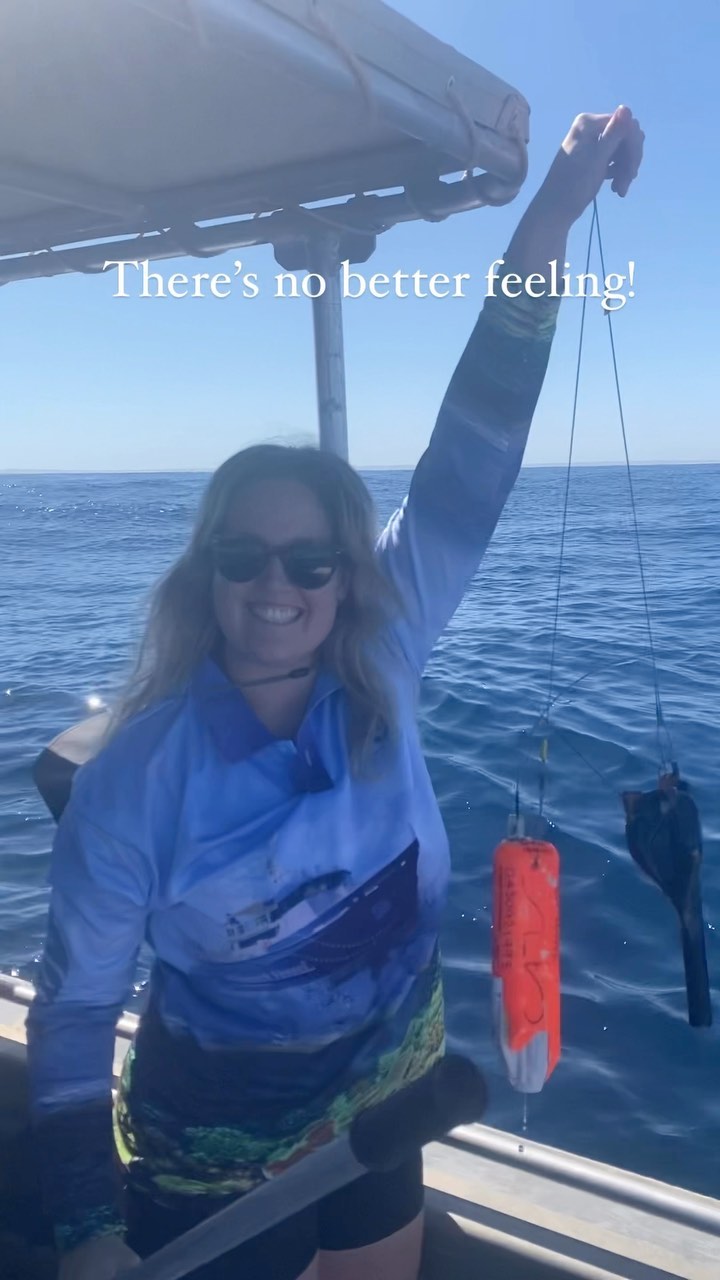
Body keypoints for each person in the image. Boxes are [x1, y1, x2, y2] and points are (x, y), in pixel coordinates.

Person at [26, 107, 644, 1280]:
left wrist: (551, 215)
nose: (279, 585)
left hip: (387, 1102)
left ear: (349, 574)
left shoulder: (387, 651)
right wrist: (82, 1227)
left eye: (311, 559)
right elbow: (73, 1014)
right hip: (213, 1166)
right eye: (245, 555)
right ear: (207, 571)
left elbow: (474, 451)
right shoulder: (134, 786)